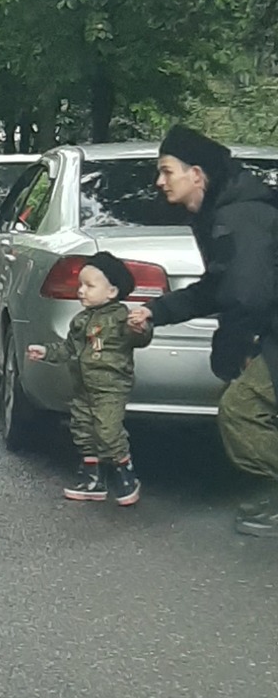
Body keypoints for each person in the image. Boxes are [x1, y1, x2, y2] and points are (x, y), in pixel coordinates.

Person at [125, 125, 278, 538]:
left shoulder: (241, 215)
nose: (160, 182)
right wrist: (157, 311)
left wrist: (241, 344)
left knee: (241, 411)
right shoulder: (222, 211)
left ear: (197, 173)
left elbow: (248, 294)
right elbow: (220, 287)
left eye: (166, 171)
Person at [26, 250, 147, 508]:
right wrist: (47, 351)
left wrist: (141, 328)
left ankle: (126, 474)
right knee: (82, 429)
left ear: (112, 291)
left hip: (110, 389)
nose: (82, 291)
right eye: (81, 285)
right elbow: (70, 348)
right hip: (83, 388)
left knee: (108, 431)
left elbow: (138, 337)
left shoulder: (120, 318)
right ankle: (92, 479)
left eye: (90, 286)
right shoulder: (80, 320)